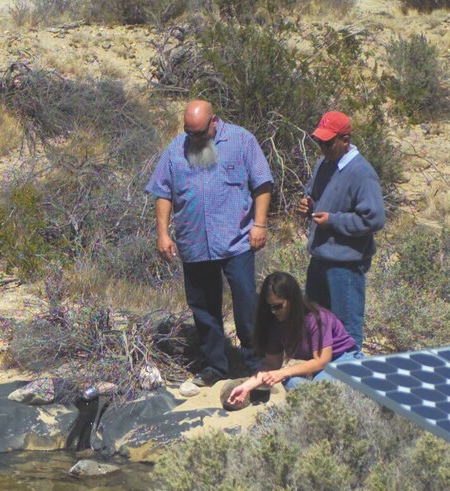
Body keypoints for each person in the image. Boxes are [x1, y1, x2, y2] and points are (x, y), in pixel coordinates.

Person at [146, 99, 274, 387]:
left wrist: (260, 224)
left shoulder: (242, 141)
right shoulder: (176, 148)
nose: (193, 139)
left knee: (245, 303)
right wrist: (163, 233)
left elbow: (262, 183)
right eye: (188, 132)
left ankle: (254, 362)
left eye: (199, 133)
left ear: (214, 123)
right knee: (203, 308)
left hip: (237, 240)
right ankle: (215, 366)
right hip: (194, 243)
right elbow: (163, 192)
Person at [296, 110, 385, 352]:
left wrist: (333, 221)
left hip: (345, 265)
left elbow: (374, 218)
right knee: (315, 322)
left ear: (345, 140)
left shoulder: (362, 173)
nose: (323, 147)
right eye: (319, 142)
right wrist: (308, 205)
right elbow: (314, 194)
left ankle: (349, 384)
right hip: (319, 258)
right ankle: (318, 379)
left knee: (346, 328)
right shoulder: (323, 165)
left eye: (328, 142)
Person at [227, 271, 361, 406]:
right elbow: (271, 364)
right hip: (319, 368)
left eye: (278, 306)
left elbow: (322, 361)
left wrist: (283, 372)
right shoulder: (275, 324)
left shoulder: (316, 318)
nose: (273, 311)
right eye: (269, 307)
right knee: (291, 381)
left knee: (320, 384)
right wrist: (246, 386)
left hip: (343, 359)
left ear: (292, 300)